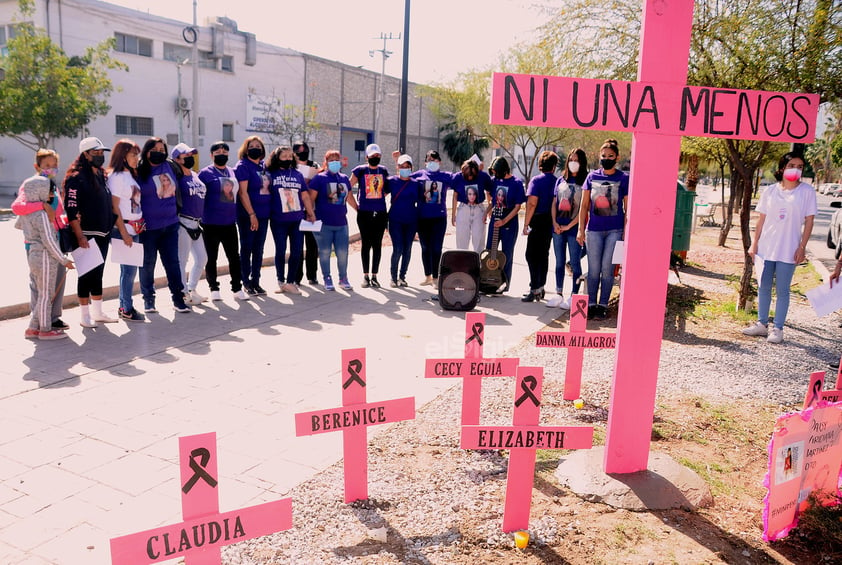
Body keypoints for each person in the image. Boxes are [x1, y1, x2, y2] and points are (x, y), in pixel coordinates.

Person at [743, 151, 816, 343]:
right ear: (782, 168)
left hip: (789, 248)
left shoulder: (807, 192)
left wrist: (802, 247)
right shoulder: (770, 191)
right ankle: (761, 324)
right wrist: (755, 243)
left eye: (800, 167)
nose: (796, 170)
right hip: (767, 248)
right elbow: (761, 220)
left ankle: (778, 328)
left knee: (783, 289)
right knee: (764, 286)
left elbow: (809, 221)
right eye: (792, 165)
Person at [12, 149, 70, 335]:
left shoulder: (53, 187)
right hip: (37, 244)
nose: (51, 169)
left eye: (54, 166)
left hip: (56, 239)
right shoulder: (31, 186)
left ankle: (53, 317)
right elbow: (17, 207)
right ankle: (37, 321)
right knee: (39, 283)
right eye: (47, 166)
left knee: (58, 277)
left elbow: (58, 212)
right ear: (37, 166)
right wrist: (42, 206)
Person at [64, 136, 119, 327]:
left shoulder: (101, 175)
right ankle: (84, 315)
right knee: (86, 274)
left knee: (98, 274)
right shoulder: (76, 178)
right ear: (85, 154)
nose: (99, 155)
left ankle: (98, 312)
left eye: (101, 152)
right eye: (95, 152)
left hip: (103, 233)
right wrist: (79, 236)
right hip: (86, 234)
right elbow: (71, 210)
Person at [136, 137, 191, 314]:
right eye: (156, 149)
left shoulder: (170, 166)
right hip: (148, 228)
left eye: (162, 149)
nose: (160, 152)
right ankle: (149, 300)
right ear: (147, 151)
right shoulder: (139, 170)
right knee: (147, 264)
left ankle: (178, 298)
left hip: (170, 225)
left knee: (173, 263)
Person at [576, 138, 629, 320]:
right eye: (604, 156)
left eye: (610, 156)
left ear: (617, 157)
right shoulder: (592, 177)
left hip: (615, 231)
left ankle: (603, 304)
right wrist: (580, 230)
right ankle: (591, 304)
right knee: (593, 269)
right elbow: (583, 206)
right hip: (594, 231)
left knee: (608, 269)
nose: (606, 158)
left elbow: (627, 208)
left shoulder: (623, 178)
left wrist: (625, 233)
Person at [198, 142, 251, 301]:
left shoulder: (233, 172)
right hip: (210, 224)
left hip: (229, 223)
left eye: (225, 152)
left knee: (234, 257)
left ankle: (237, 288)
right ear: (211, 155)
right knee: (211, 257)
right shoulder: (205, 173)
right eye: (218, 151)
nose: (222, 154)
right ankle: (214, 288)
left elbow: (241, 193)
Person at [107, 139, 147, 322]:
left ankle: (125, 305)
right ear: (122, 156)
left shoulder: (130, 175)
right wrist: (123, 232)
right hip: (123, 229)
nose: (136, 158)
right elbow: (114, 207)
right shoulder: (116, 177)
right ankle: (126, 307)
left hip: (135, 227)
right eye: (133, 155)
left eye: (137, 154)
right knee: (128, 271)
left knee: (130, 270)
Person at [267, 145, 315, 294]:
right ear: (277, 158)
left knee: (297, 251)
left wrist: (310, 212)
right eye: (284, 156)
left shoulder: (297, 174)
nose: (287, 159)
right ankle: (281, 281)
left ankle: (291, 281)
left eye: (290, 156)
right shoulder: (270, 174)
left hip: (297, 219)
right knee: (280, 250)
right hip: (278, 220)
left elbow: (305, 195)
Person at [308, 150, 358, 291]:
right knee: (324, 252)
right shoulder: (319, 179)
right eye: (331, 159)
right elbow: (311, 199)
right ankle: (327, 277)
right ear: (326, 162)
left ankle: (343, 278)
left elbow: (349, 198)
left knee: (342, 252)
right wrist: (310, 214)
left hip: (341, 223)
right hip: (324, 223)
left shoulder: (343, 179)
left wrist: (358, 209)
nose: (335, 162)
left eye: (337, 159)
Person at [547, 148, 588, 309]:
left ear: (582, 163)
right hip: (557, 228)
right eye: (571, 159)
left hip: (573, 229)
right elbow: (554, 203)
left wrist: (570, 226)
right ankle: (558, 293)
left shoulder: (585, 181)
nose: (573, 163)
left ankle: (574, 296)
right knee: (559, 262)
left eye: (576, 160)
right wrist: (555, 223)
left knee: (575, 263)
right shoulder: (560, 180)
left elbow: (584, 209)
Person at [172, 143, 208, 305]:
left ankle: (192, 289)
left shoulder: (194, 175)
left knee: (202, 258)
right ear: (177, 159)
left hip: (197, 222)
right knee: (182, 260)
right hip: (183, 221)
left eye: (190, 155)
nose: (190, 158)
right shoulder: (177, 178)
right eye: (186, 156)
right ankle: (183, 293)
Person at [349, 143, 390, 288]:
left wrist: (378, 197)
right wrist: (356, 207)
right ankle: (365, 276)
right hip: (364, 213)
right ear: (367, 157)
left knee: (377, 244)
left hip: (380, 213)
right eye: (372, 156)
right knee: (366, 244)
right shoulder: (360, 170)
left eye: (377, 156)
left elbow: (388, 188)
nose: (375, 158)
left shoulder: (383, 171)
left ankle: (375, 276)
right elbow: (347, 188)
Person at [234, 135, 270, 295]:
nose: (255, 148)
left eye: (258, 146)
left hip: (264, 214)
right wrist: (251, 214)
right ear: (246, 149)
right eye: (251, 146)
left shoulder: (264, 166)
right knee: (247, 248)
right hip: (248, 215)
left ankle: (256, 281)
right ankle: (246, 281)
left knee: (259, 249)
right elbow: (242, 193)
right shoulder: (243, 166)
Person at [521, 151, 559, 302]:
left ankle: (534, 288)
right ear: (554, 166)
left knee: (531, 255)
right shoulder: (558, 181)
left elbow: (531, 203)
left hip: (537, 219)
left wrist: (525, 224)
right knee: (544, 255)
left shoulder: (536, 181)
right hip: (551, 219)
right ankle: (541, 286)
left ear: (540, 164)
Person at [485, 156, 525, 292]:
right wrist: (486, 212)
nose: (495, 174)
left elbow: (518, 207)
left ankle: (504, 283)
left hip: (509, 220)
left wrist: (504, 221)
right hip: (495, 217)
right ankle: (488, 279)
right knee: (490, 250)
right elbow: (492, 200)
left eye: (496, 171)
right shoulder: (495, 181)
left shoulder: (516, 183)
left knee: (506, 253)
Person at [414, 150, 450, 286]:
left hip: (439, 218)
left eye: (434, 160)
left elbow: (461, 178)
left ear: (439, 161)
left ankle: (436, 277)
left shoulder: (445, 176)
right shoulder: (419, 175)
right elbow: (403, 180)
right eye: (429, 160)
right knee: (425, 248)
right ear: (425, 162)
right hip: (422, 218)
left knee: (436, 248)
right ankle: (427, 276)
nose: (432, 162)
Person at [388, 154, 423, 287]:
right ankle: (393, 277)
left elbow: (420, 201)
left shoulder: (416, 184)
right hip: (395, 219)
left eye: (407, 167)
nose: (404, 169)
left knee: (407, 249)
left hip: (411, 220)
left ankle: (402, 276)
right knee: (398, 248)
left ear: (411, 168)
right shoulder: (392, 181)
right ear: (397, 167)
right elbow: (379, 193)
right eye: (402, 166)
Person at [451, 159, 492, 252]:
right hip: (464, 208)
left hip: (479, 209)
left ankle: (477, 264)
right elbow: (455, 196)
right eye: (467, 176)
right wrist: (453, 215)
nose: (470, 178)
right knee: (462, 241)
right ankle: (463, 265)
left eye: (472, 175)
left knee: (479, 241)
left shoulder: (483, 176)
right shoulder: (458, 177)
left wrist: (489, 210)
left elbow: (489, 192)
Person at [294, 141, 320, 286]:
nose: (302, 152)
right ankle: (297, 276)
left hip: (312, 210)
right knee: (297, 245)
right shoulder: (291, 165)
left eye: (304, 149)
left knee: (312, 245)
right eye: (298, 150)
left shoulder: (314, 165)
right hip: (296, 210)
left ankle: (312, 275)